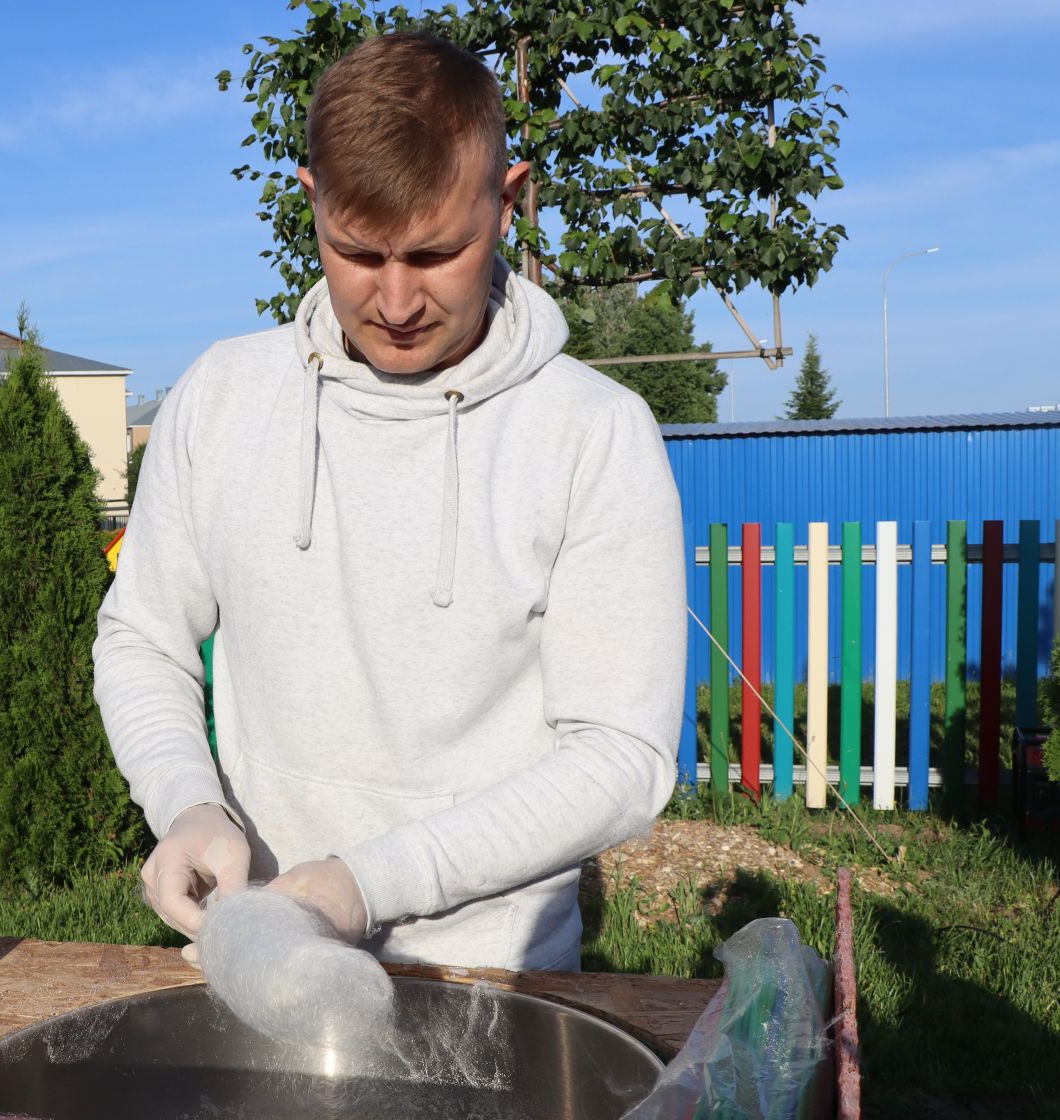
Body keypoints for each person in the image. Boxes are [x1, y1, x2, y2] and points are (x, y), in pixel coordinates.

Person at [94, 32, 685, 973]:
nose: (399, 300)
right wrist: (185, 801)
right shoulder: (221, 396)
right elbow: (143, 638)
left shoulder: (594, 433)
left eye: (437, 252)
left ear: (509, 197)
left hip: (496, 979)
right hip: (259, 959)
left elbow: (622, 757)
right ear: (309, 201)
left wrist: (372, 882)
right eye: (358, 252)